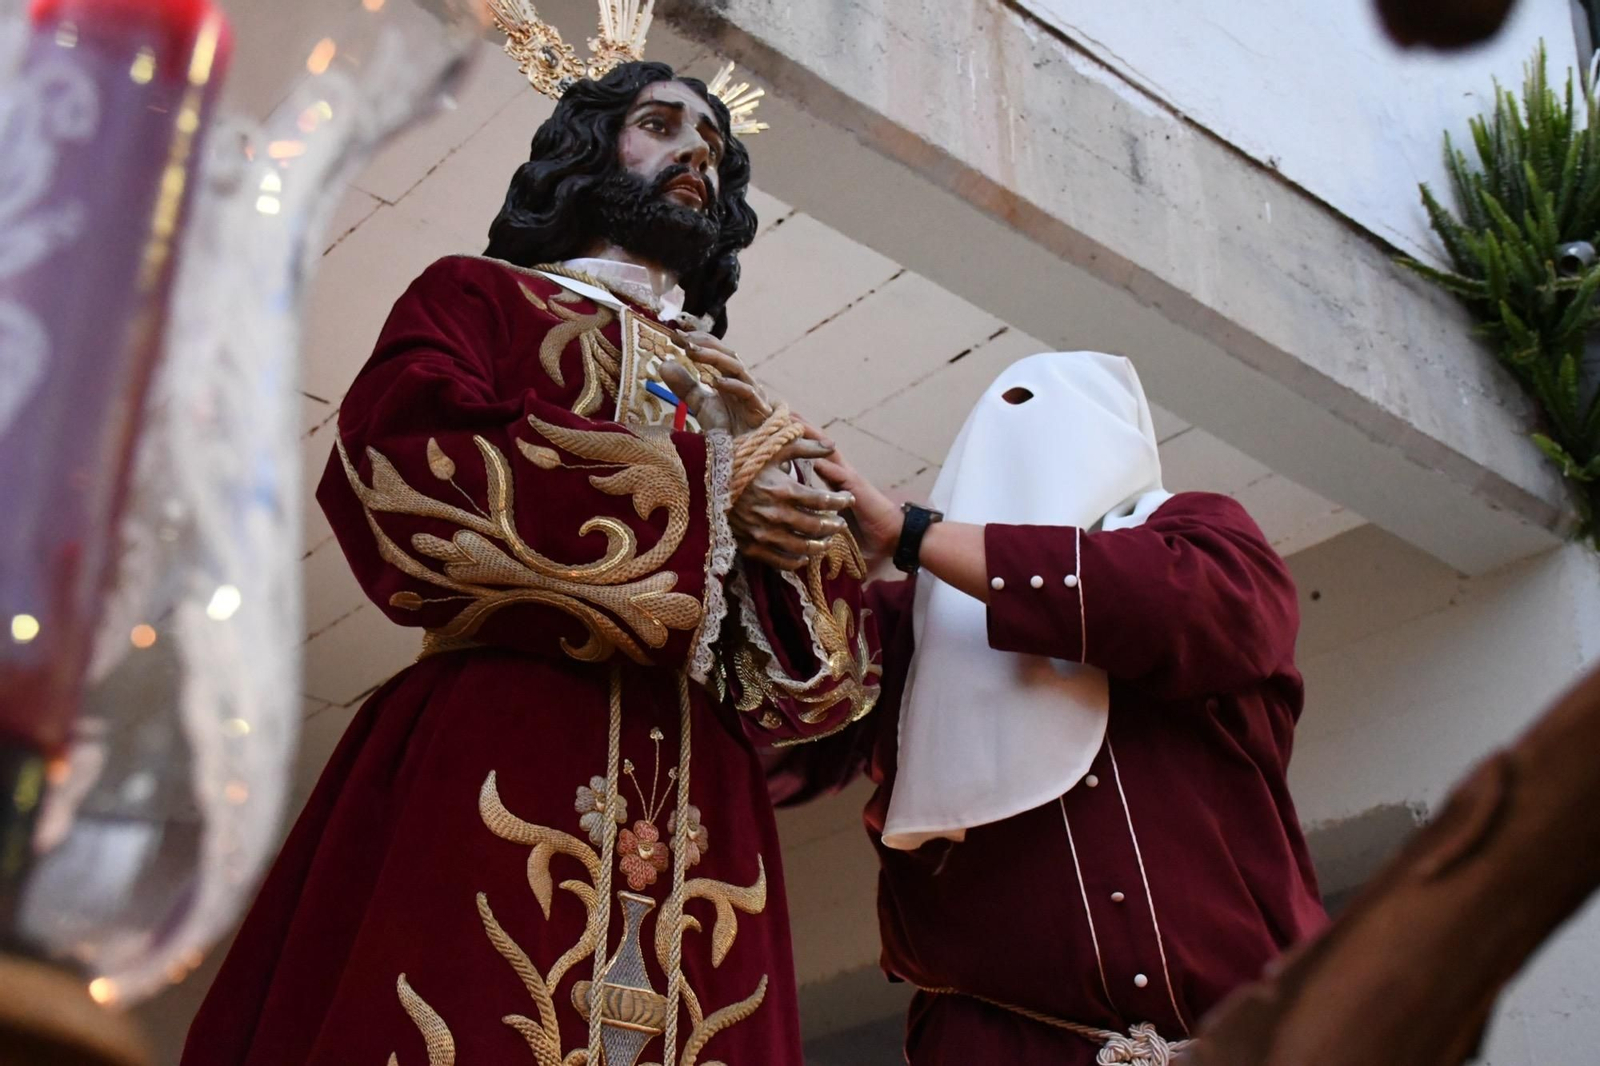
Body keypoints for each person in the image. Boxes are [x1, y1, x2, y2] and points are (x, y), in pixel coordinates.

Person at [182, 62, 880, 1066]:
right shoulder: (481, 300)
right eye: (660, 124)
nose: (697, 155)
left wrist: (793, 532)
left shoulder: (740, 396)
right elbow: (400, 457)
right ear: (590, 148)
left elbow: (824, 690)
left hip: (700, 800)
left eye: (715, 147)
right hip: (508, 737)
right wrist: (707, 486)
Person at [767, 351, 1327, 1064]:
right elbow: (777, 743)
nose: (1035, 439)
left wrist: (916, 537)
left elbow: (1180, 610)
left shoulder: (1202, 539)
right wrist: (827, 576)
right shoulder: (910, 624)